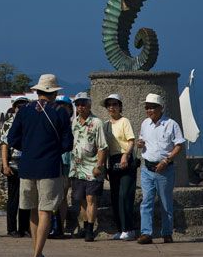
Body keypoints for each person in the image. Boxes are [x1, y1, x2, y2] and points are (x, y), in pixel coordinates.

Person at [7, 74, 73, 257]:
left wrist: (29, 148)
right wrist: (52, 150)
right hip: (49, 166)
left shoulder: (24, 111)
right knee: (46, 210)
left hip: (27, 166)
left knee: (33, 210)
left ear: (38, 91)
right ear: (54, 92)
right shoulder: (60, 112)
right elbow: (67, 143)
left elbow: (12, 138)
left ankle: (37, 253)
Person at [137, 93, 185, 244]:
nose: (149, 110)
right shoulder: (145, 123)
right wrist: (140, 144)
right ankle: (146, 233)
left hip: (165, 169)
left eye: (152, 107)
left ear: (160, 108)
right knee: (146, 201)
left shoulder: (171, 124)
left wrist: (167, 160)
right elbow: (142, 139)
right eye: (147, 107)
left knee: (165, 202)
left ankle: (167, 232)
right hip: (147, 168)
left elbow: (179, 145)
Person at [69, 92, 108, 242]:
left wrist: (99, 165)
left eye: (83, 103)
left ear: (89, 105)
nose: (80, 107)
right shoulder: (75, 122)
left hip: (92, 167)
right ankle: (85, 227)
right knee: (82, 200)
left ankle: (90, 230)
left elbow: (102, 147)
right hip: (77, 168)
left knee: (91, 198)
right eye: (78, 104)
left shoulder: (97, 123)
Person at [102, 93, 137, 241]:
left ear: (120, 106)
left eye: (115, 104)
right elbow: (105, 147)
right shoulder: (106, 125)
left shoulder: (125, 121)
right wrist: (104, 165)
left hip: (126, 158)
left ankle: (129, 228)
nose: (112, 107)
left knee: (125, 195)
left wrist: (126, 155)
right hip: (113, 159)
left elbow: (131, 141)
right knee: (115, 196)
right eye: (109, 105)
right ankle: (120, 228)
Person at [0, 96, 31, 237]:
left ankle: (24, 228)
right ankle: (11, 228)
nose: (21, 108)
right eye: (19, 106)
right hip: (13, 162)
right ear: (14, 108)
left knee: (26, 196)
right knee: (13, 198)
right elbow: (4, 145)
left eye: (24, 105)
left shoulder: (31, 122)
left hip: (27, 163)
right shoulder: (8, 123)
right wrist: (5, 165)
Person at [49, 95, 74, 238]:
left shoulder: (74, 124)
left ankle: (60, 226)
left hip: (67, 164)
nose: (62, 108)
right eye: (59, 105)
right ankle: (53, 225)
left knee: (62, 196)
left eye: (64, 106)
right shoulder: (52, 123)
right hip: (55, 162)